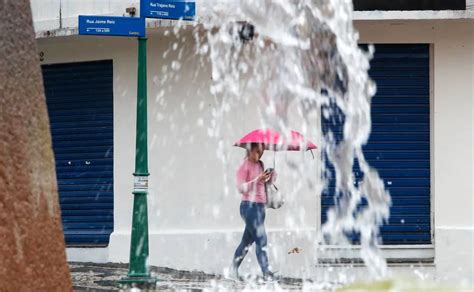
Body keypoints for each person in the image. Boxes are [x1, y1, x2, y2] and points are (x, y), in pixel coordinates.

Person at [230, 143, 277, 281]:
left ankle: (232, 269)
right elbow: (240, 188)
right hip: (248, 207)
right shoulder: (243, 166)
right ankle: (266, 273)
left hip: (260, 208)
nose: (260, 154)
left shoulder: (260, 164)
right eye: (257, 151)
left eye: (262, 152)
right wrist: (257, 180)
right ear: (250, 150)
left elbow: (264, 185)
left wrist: (271, 177)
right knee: (261, 239)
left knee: (246, 242)